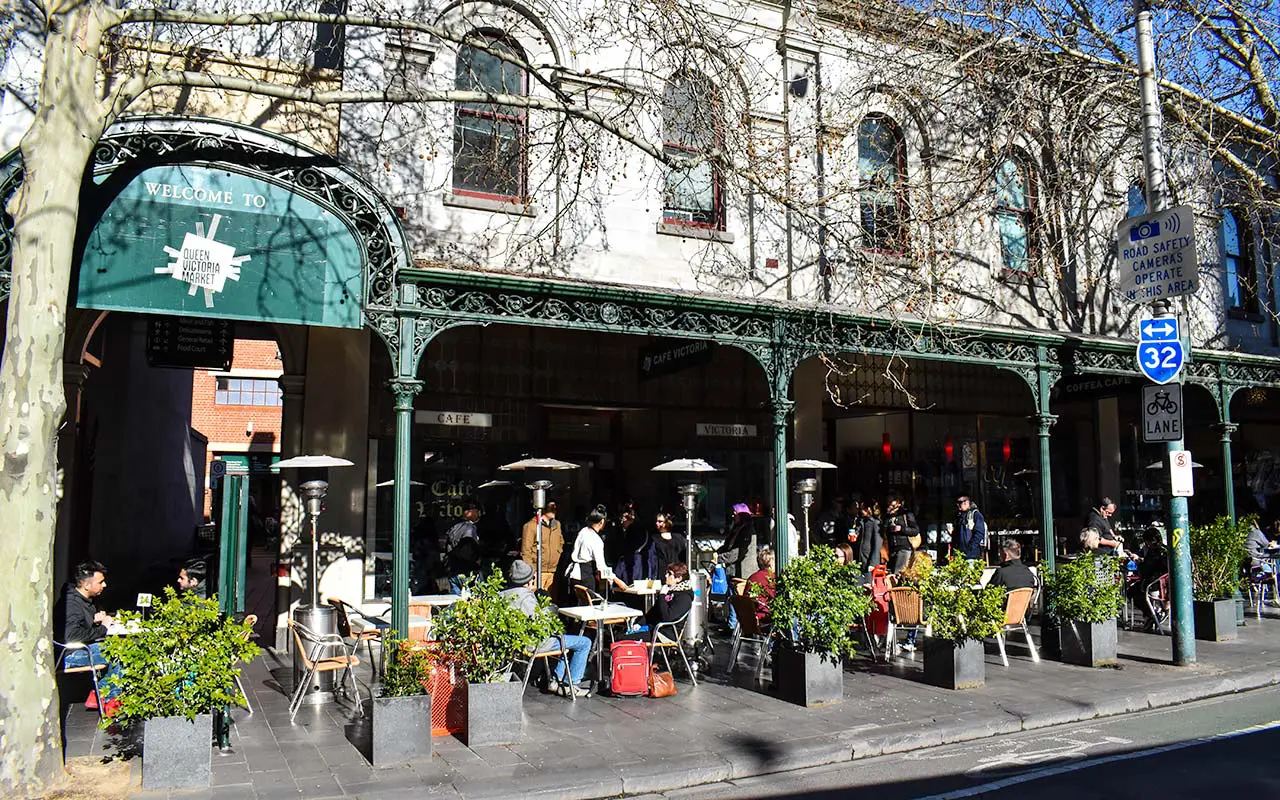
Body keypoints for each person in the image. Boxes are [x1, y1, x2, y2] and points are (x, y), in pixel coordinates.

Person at [501, 560, 593, 697]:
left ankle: (555, 681)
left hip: (515, 643)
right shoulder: (525, 598)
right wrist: (549, 609)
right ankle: (570, 685)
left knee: (566, 639)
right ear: (528, 581)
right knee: (584, 642)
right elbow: (540, 622)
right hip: (534, 643)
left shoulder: (502, 595)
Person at [54, 560, 122, 704]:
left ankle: (100, 695)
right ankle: (109, 699)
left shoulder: (86, 600)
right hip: (69, 655)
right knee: (117, 652)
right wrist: (102, 628)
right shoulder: (71, 604)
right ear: (86, 585)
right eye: (101, 582)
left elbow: (80, 626)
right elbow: (71, 636)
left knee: (118, 646)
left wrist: (94, 621)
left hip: (81, 648)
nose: (104, 585)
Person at [566, 507, 627, 598]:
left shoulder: (583, 531)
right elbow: (601, 566)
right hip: (585, 575)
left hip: (573, 575)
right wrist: (617, 581)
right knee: (588, 606)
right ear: (602, 522)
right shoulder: (596, 540)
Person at [621, 562, 694, 638]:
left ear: (679, 578)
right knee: (621, 636)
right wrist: (639, 624)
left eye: (669, 574)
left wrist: (662, 596)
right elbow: (653, 612)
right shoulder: (669, 591)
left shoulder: (684, 597)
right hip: (654, 628)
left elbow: (667, 617)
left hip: (665, 634)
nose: (666, 576)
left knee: (624, 640)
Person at [521, 501, 564, 591]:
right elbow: (526, 550)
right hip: (537, 571)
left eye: (555, 509)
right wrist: (530, 572)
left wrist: (558, 553)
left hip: (552, 570)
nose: (555, 511)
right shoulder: (531, 526)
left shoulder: (557, 525)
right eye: (551, 509)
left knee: (550, 600)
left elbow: (560, 542)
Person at [443, 502, 482, 595]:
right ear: (470, 512)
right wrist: (477, 560)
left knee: (455, 602)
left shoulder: (453, 527)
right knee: (473, 601)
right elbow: (468, 550)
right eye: (477, 511)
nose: (478, 514)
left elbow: (447, 547)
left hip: (453, 570)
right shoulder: (470, 529)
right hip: (467, 571)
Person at [883, 495, 920, 574]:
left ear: (898, 503)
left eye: (891, 502)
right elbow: (884, 531)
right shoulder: (888, 516)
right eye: (888, 502)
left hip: (904, 547)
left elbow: (915, 530)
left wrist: (902, 528)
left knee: (899, 573)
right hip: (892, 549)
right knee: (892, 573)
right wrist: (887, 517)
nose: (889, 504)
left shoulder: (905, 514)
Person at [745, 547, 776, 625]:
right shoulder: (772, 579)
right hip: (765, 616)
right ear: (770, 563)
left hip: (749, 617)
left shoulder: (752, 577)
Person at [953, 495, 988, 562]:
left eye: (960, 502)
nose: (958, 505)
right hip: (959, 555)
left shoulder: (976, 515)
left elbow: (980, 532)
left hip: (972, 555)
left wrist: (971, 547)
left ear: (967, 502)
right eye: (957, 503)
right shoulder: (959, 516)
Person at [854, 501, 882, 572]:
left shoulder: (875, 523)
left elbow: (877, 544)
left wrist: (873, 563)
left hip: (868, 559)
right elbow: (856, 534)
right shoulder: (860, 521)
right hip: (859, 558)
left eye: (864, 509)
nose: (862, 511)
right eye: (861, 509)